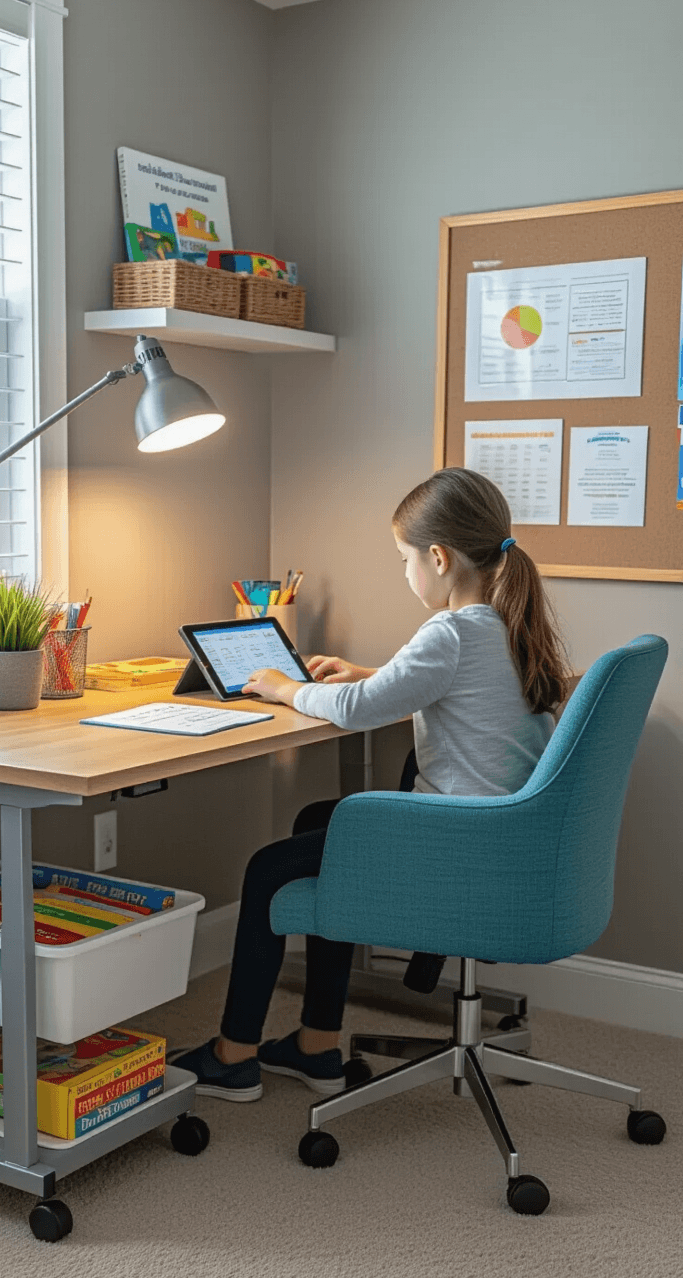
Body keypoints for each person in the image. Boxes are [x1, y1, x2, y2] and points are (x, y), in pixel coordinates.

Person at [168, 467, 570, 1101]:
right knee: (318, 821)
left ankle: (234, 1054)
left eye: (403, 558)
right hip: (502, 835)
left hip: (456, 844)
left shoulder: (450, 631)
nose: (404, 571)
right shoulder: (507, 624)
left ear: (438, 558)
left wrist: (281, 686)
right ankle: (316, 1045)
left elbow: (356, 710)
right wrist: (369, 672)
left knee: (269, 867)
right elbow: (455, 688)